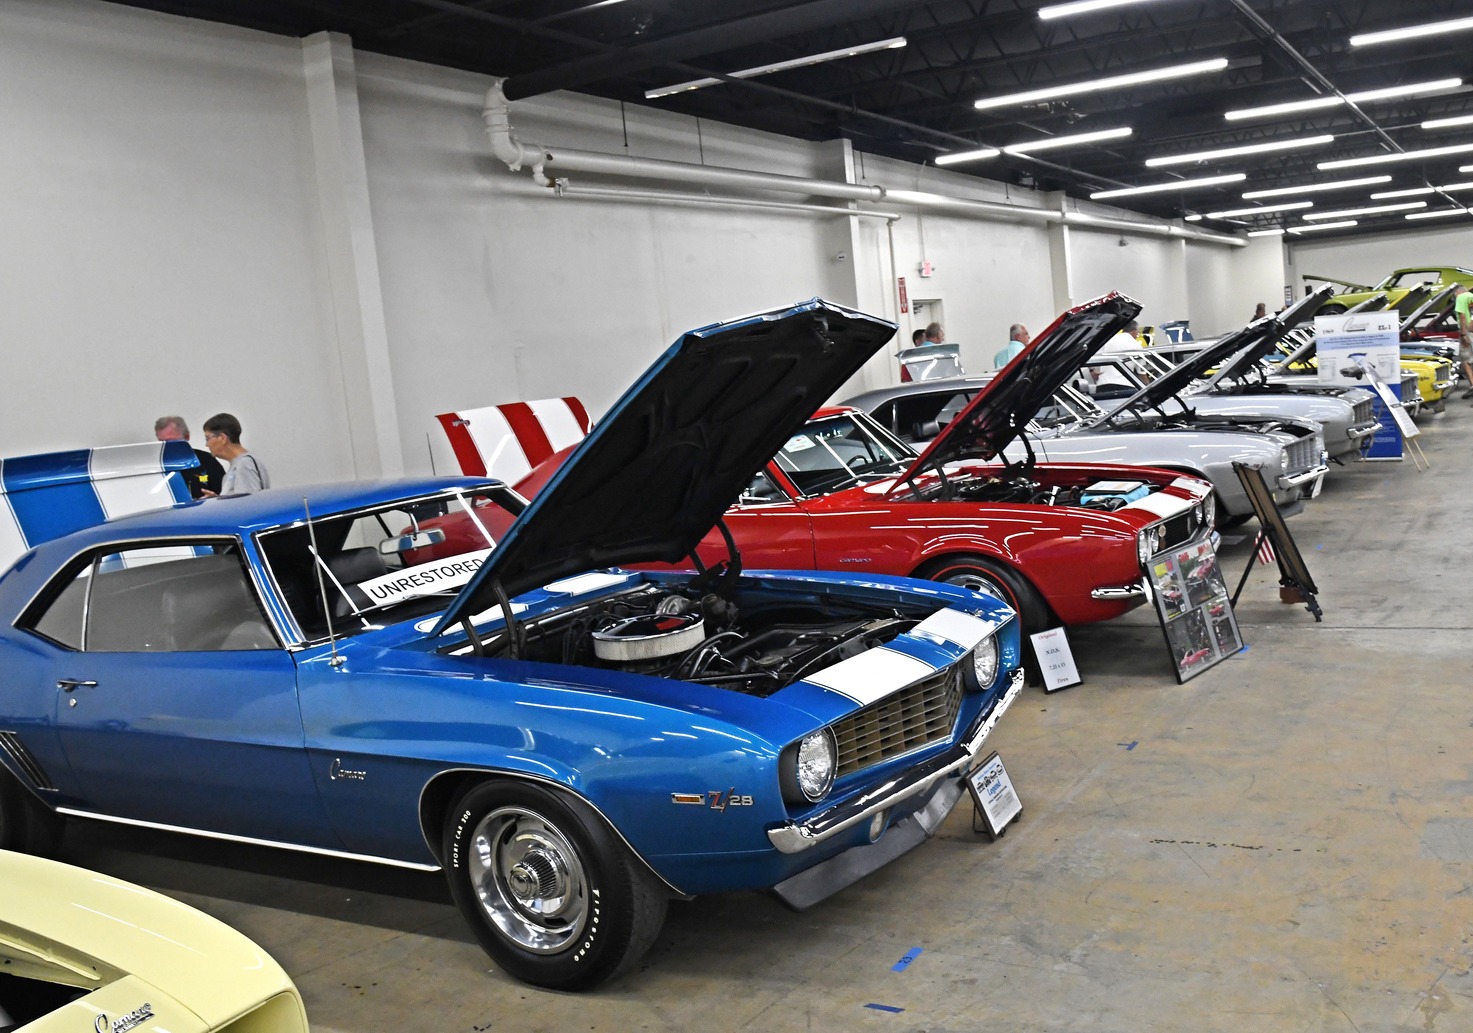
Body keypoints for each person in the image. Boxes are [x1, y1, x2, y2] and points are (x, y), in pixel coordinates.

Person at [154, 415, 225, 499]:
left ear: (187, 436)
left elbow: (224, 495)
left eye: (172, 442)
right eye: (162, 442)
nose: (167, 446)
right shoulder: (156, 465)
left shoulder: (206, 460)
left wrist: (214, 498)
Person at [201, 412, 270, 495]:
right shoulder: (239, 465)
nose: (206, 444)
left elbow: (248, 504)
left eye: (207, 438)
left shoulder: (244, 464)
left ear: (222, 438)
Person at [1455, 285, 1473, 399]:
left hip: (1468, 332)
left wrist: (1463, 334)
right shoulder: (1471, 296)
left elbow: (1462, 316)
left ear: (1458, 292)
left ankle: (1472, 385)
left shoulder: (1460, 298)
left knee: (1465, 360)